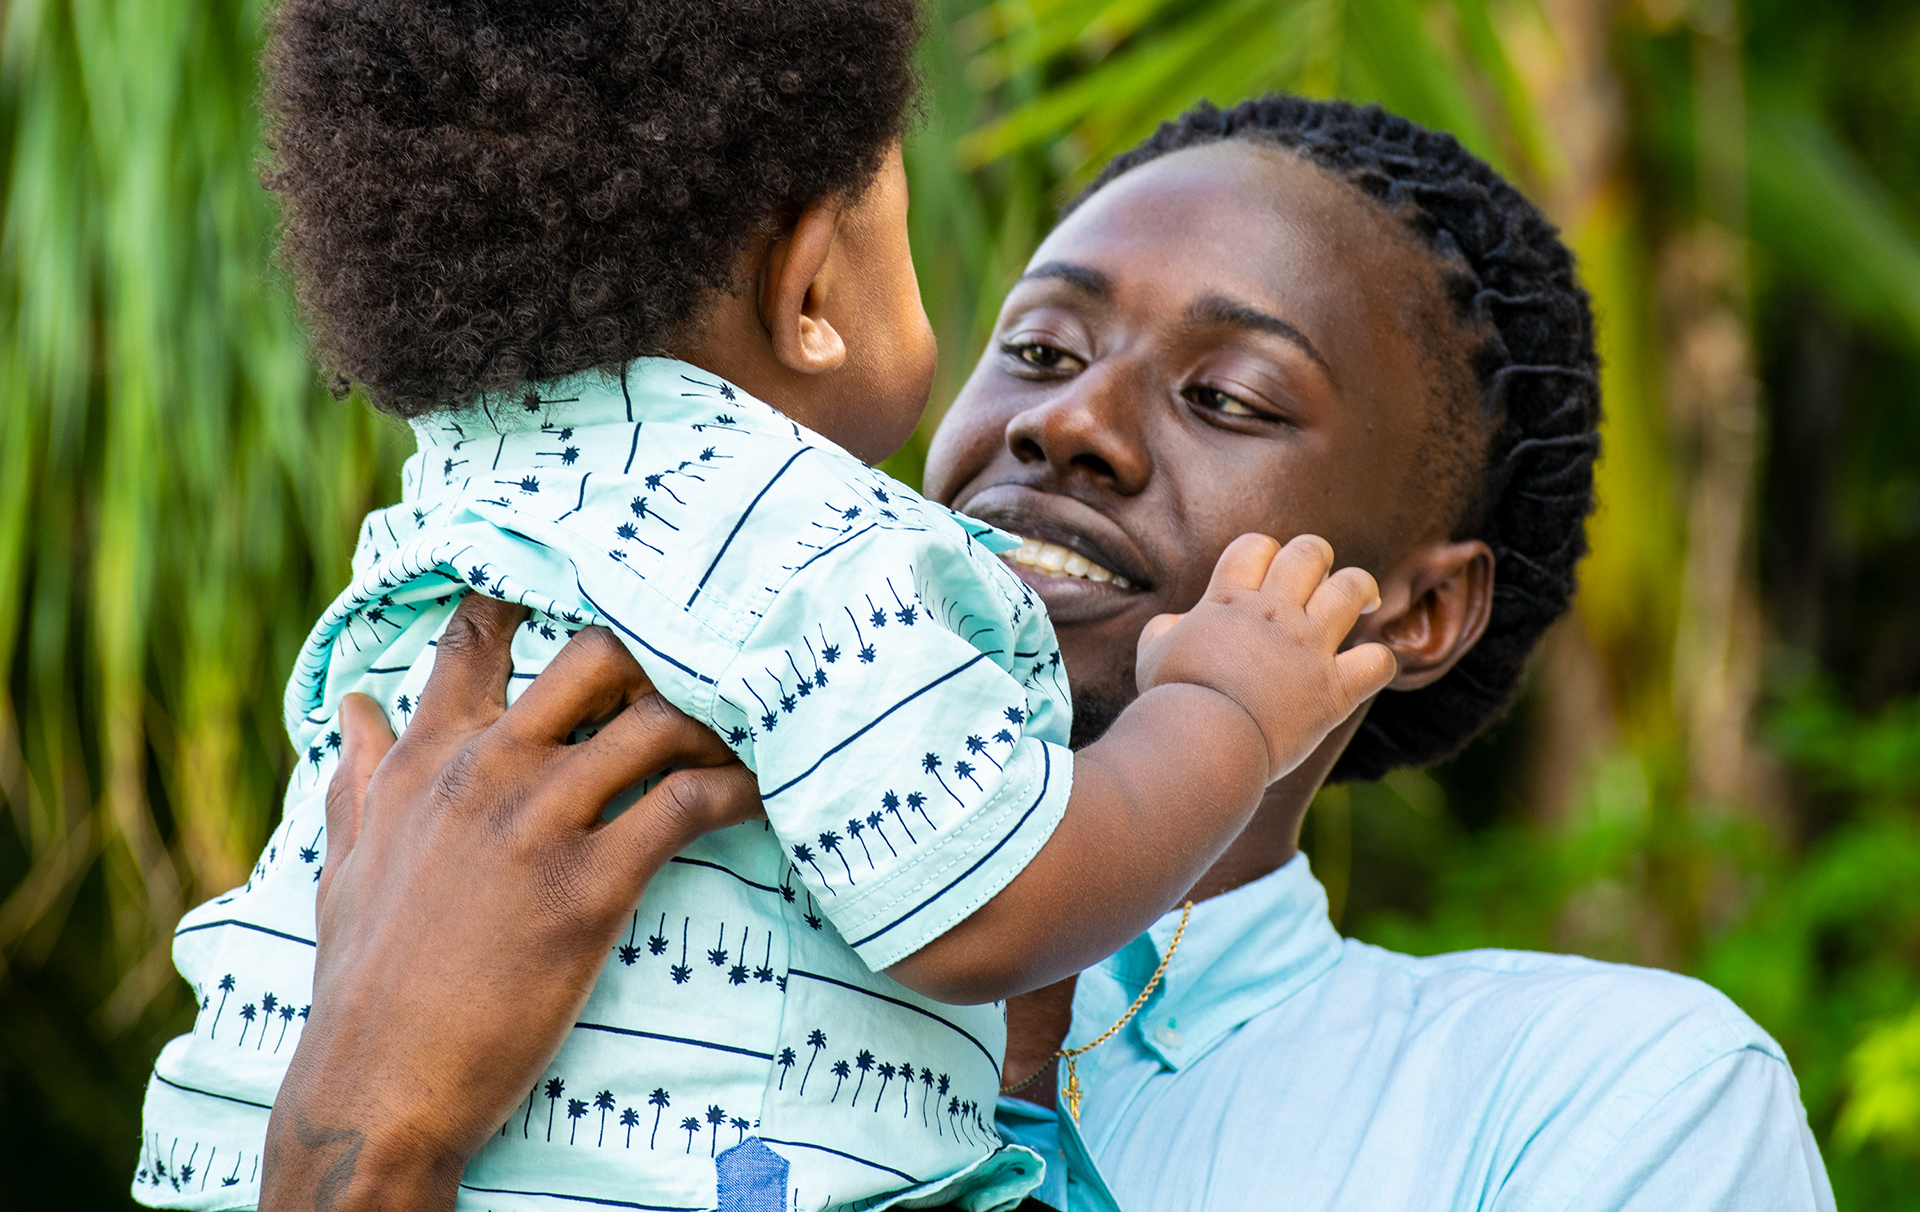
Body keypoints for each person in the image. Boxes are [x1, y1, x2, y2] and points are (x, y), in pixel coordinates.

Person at [137, 0, 1393, 1212]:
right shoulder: (810, 548)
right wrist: (1227, 708)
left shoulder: (442, 526)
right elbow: (988, 911)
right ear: (807, 290)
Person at [258, 96, 1835, 1211]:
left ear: (1413, 614)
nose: (1069, 421)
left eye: (1228, 398)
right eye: (1039, 348)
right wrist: (357, 1118)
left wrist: (371, 1137)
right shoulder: (529, 931)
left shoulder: (1603, 1102)